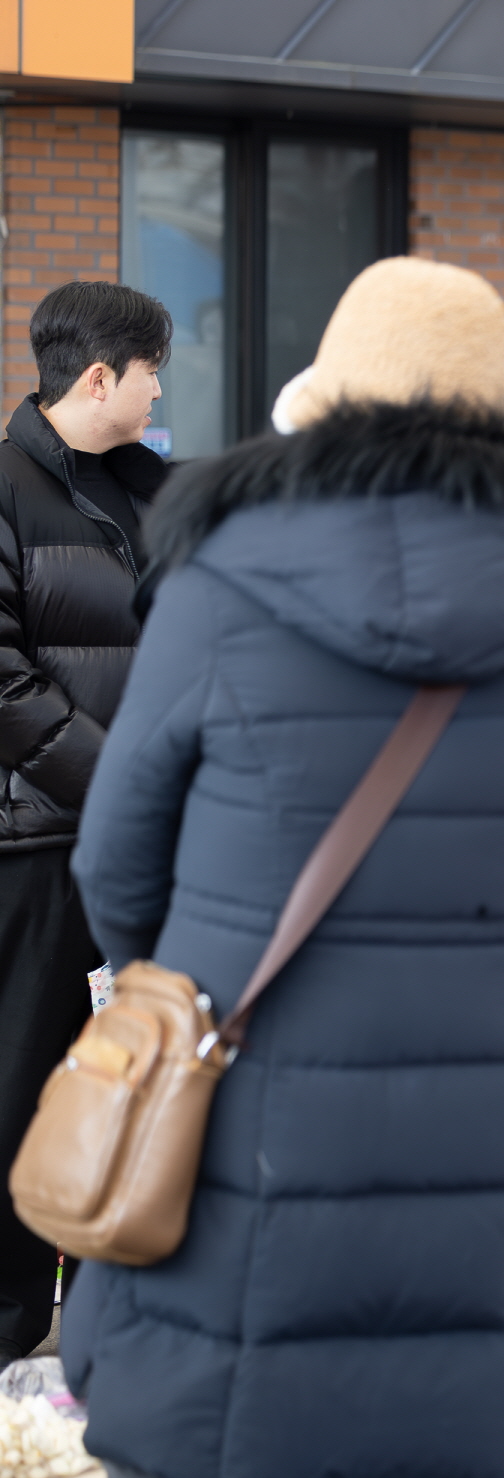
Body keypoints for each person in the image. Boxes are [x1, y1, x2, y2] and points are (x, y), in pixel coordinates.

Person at [64, 257, 504, 1478]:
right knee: (382, 1465)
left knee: (173, 1461)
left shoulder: (228, 570)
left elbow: (115, 855)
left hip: (240, 1105)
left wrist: (195, 977)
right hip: (467, 1127)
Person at [0, 279, 170, 1361]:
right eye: (154, 370)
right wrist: (124, 789)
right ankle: (13, 1340)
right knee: (20, 1098)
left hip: (141, 855)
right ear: (100, 376)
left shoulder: (156, 492)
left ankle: (114, 1341)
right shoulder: (3, 486)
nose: (163, 393)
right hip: (37, 851)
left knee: (137, 1104)